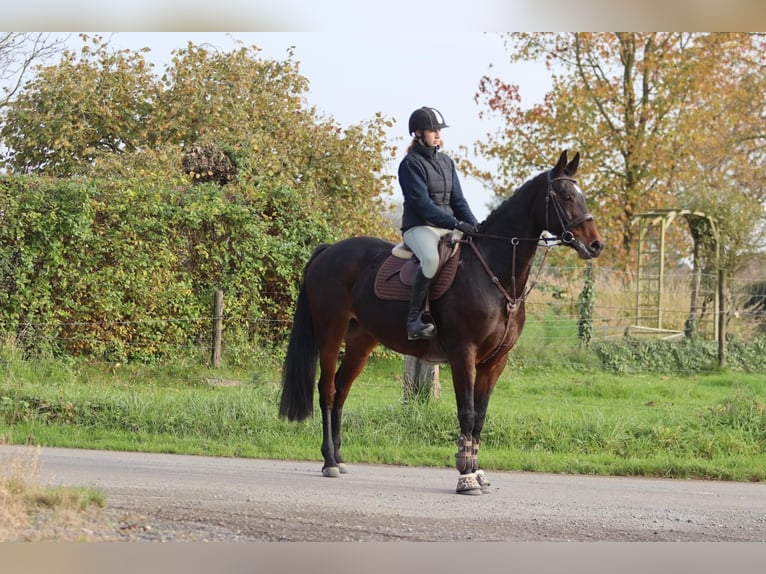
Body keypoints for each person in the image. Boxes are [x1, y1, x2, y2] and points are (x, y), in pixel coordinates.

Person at [398, 106, 479, 341]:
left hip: (446, 225)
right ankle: (414, 320)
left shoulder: (446, 162)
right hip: (419, 227)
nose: (438, 135)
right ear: (418, 133)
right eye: (433, 131)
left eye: (439, 131)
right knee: (431, 259)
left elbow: (458, 200)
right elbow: (422, 205)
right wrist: (455, 222)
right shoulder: (410, 164)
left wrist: (474, 225)